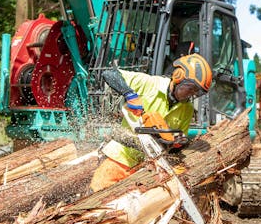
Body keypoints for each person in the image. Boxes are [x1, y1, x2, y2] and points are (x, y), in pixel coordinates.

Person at [90, 53, 213, 192]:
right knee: (98, 195)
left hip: (149, 169)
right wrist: (129, 93)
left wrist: (173, 141)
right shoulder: (149, 84)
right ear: (179, 76)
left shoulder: (187, 109)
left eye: (195, 92)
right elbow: (109, 73)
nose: (190, 94)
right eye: (190, 88)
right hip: (120, 158)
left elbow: (178, 142)